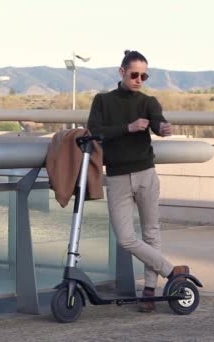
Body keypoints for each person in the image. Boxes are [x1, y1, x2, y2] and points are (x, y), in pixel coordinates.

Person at [87, 50, 190, 313]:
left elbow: (158, 122)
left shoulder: (148, 101)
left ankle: (148, 292)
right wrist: (128, 128)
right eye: (134, 74)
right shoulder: (102, 101)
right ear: (121, 72)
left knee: (151, 232)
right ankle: (172, 270)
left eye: (144, 75)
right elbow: (95, 132)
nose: (139, 80)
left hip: (146, 173)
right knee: (125, 238)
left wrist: (164, 128)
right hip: (118, 177)